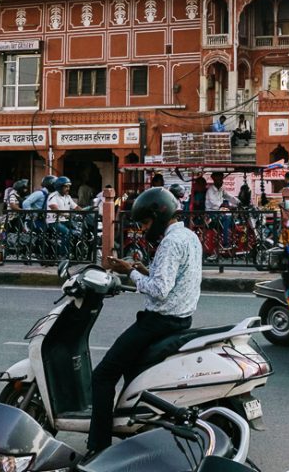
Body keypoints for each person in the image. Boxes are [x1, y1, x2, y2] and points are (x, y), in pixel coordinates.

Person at [88, 187, 202, 455]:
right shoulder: (189, 237)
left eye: (146, 223)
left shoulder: (171, 242)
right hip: (181, 319)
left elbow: (161, 290)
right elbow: (176, 279)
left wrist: (130, 273)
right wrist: (144, 270)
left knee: (103, 375)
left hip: (159, 321)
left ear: (158, 215)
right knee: (132, 370)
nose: (143, 229)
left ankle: (98, 448)